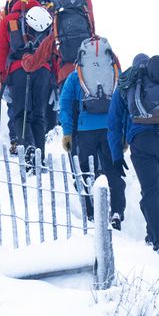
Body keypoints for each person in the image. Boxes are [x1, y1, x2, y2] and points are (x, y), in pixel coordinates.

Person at [107, 54, 159, 256]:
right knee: (156, 185)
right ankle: (151, 233)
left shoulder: (127, 84)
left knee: (150, 190)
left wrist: (117, 156)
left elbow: (114, 123)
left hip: (141, 139)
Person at [59, 47, 125, 229]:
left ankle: (90, 212)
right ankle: (117, 211)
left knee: (85, 172)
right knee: (113, 170)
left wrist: (67, 132)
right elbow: (124, 104)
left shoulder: (76, 76)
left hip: (85, 129)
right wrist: (123, 134)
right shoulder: (114, 74)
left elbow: (64, 104)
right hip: (110, 129)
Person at [0, 0, 57, 167]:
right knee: (39, 115)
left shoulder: (10, 19)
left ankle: (28, 151)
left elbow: (0, 49)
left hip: (18, 70)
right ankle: (40, 156)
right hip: (43, 70)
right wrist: (53, 78)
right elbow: (53, 50)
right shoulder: (46, 19)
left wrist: (2, 75)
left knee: (21, 113)